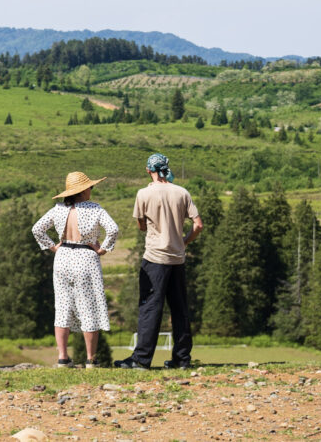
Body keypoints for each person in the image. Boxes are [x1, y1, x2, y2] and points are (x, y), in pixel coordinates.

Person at [115, 153, 203, 370]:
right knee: (179, 308)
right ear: (167, 169)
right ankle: (182, 358)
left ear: (148, 170)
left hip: (155, 258)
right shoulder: (182, 192)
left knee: (150, 308)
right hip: (177, 258)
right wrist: (184, 241)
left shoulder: (143, 194)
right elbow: (198, 225)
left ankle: (141, 359)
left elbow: (141, 225)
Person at [32, 171, 119, 368]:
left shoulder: (59, 209)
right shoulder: (95, 209)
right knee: (88, 307)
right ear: (83, 190)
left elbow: (37, 229)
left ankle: (63, 358)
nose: (91, 190)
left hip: (62, 257)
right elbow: (113, 229)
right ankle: (91, 359)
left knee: (62, 307)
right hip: (86, 257)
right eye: (90, 187)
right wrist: (103, 249)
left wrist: (53, 246)